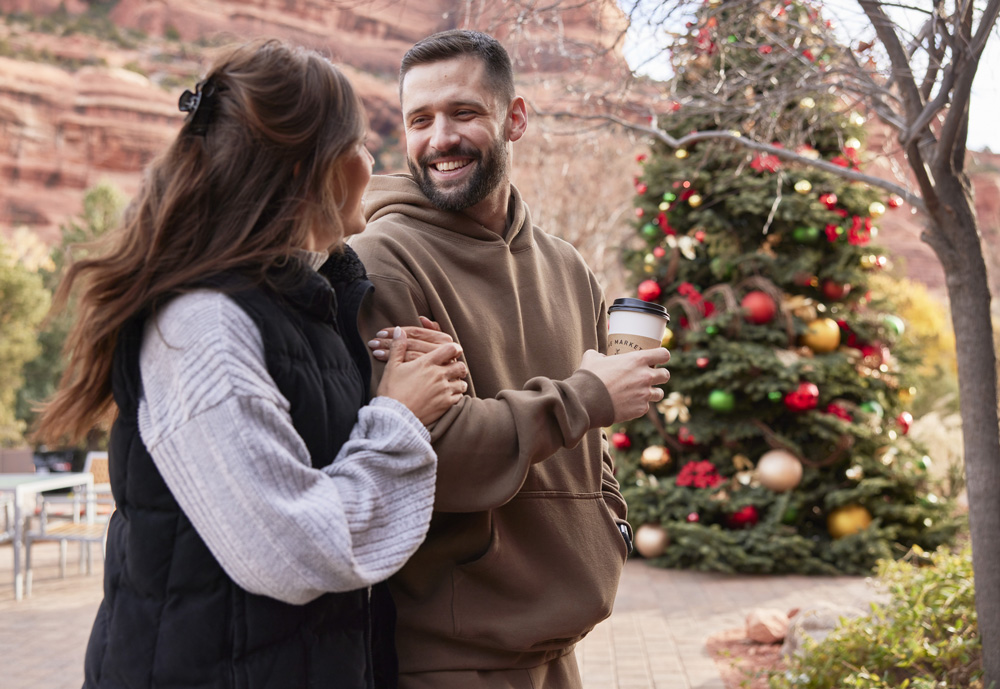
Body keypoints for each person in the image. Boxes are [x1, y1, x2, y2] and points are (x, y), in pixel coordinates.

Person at [34, 38, 469, 689]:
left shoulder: (308, 297)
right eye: (354, 144)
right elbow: (290, 548)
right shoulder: (201, 327)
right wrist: (399, 414)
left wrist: (393, 366)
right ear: (306, 170)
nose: (370, 159)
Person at [349, 29, 671, 689]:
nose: (440, 138)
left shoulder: (568, 265)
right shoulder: (382, 259)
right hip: (450, 657)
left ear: (514, 118)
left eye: (463, 112)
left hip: (564, 645)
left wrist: (608, 523)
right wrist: (585, 395)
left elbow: (593, 443)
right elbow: (426, 455)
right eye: (420, 120)